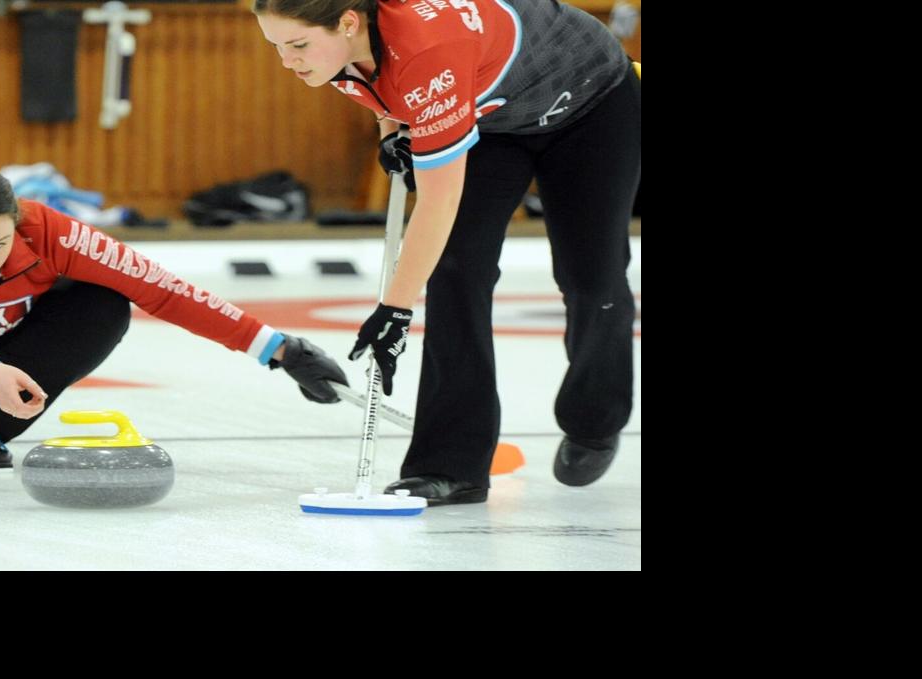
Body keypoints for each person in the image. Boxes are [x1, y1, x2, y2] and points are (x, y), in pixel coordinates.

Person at [250, 0, 640, 505]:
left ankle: (594, 420)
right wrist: (394, 132)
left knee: (591, 272)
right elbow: (385, 86)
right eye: (276, 47)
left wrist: (393, 310)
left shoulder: (427, 48)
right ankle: (451, 465)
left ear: (349, 23)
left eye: (297, 45)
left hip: (590, 102)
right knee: (456, 269)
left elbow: (439, 200)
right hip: (491, 115)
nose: (288, 61)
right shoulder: (334, 54)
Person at [0, 163, 349, 465]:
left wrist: (279, 349)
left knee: (103, 302)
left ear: (16, 225)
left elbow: (162, 289)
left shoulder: (47, 231)